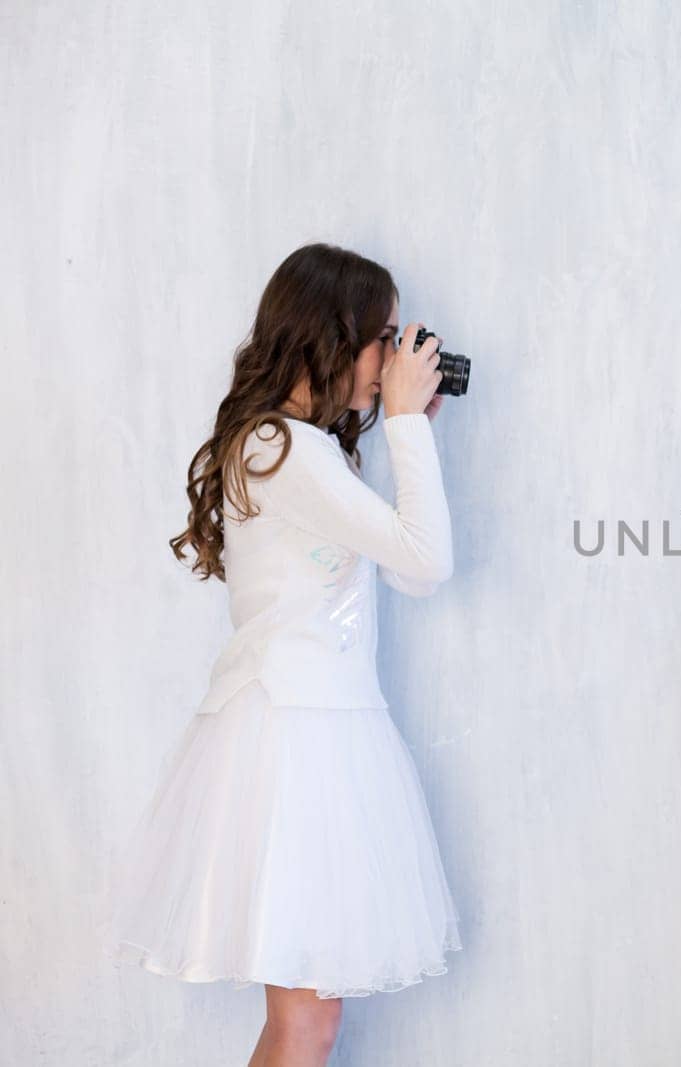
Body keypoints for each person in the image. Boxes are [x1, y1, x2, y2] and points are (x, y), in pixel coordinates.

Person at [98, 242, 462, 1067]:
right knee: (306, 1021)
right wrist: (403, 425)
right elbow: (430, 562)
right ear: (333, 335)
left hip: (311, 732)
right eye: (386, 338)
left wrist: (410, 433)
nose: (394, 358)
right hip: (295, 742)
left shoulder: (297, 448)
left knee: (307, 1021)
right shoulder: (284, 448)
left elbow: (408, 574)